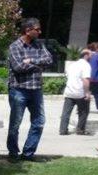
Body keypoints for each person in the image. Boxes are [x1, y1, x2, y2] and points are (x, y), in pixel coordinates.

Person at [6, 18, 52, 162]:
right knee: (15, 124)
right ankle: (13, 153)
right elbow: (18, 68)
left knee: (39, 122)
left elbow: (49, 60)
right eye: (37, 29)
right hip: (19, 90)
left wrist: (31, 61)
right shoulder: (15, 46)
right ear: (27, 30)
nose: (40, 32)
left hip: (36, 90)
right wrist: (39, 65)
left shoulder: (39, 45)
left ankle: (28, 153)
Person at [59, 49, 92, 135]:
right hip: (80, 93)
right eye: (90, 54)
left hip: (69, 91)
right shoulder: (86, 65)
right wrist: (87, 93)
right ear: (86, 55)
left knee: (66, 113)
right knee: (83, 112)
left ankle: (63, 130)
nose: (91, 56)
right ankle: (80, 130)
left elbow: (67, 76)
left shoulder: (72, 65)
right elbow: (85, 80)